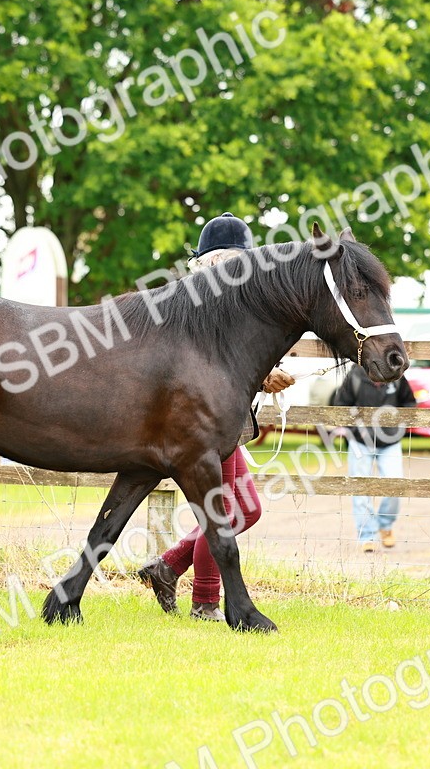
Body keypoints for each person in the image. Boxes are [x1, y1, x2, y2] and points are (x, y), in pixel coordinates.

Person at [137, 213, 295, 622]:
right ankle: (204, 600)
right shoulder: (204, 302)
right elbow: (210, 367)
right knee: (223, 510)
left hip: (221, 418)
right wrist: (262, 379)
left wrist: (263, 375)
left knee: (245, 509)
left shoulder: (230, 302)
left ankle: (169, 566)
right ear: (215, 261)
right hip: (203, 417)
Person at [331, 363, 416, 553]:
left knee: (395, 485)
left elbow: (410, 403)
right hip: (360, 442)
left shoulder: (397, 376)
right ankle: (366, 536)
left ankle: (385, 526)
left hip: (391, 441)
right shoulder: (354, 376)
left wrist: (398, 426)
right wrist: (354, 430)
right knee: (361, 489)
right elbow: (341, 406)